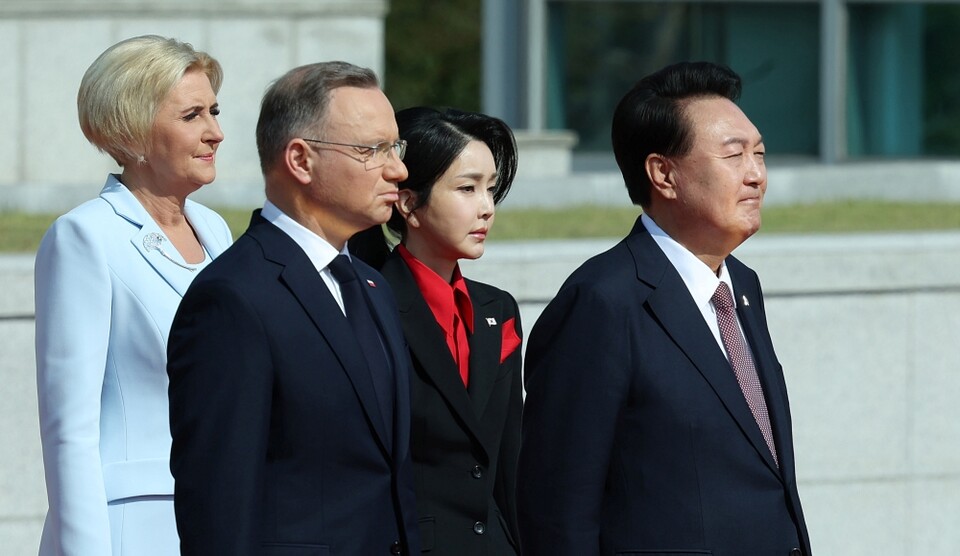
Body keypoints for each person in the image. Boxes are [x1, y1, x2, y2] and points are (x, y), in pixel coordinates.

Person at [516, 61, 812, 556]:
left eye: (759, 154)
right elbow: (557, 507)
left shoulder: (742, 286)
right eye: (734, 155)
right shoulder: (602, 302)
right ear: (662, 173)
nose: (756, 175)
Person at [166, 61, 420, 555]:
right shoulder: (233, 298)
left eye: (396, 147)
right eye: (372, 150)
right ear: (301, 160)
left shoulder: (371, 285)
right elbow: (218, 506)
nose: (399, 169)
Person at [34, 35, 231, 556]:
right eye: (192, 115)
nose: (216, 132)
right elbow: (68, 429)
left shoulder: (215, 230)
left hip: (218, 516)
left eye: (214, 110)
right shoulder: (85, 236)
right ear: (135, 130)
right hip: (131, 528)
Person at [351, 107, 523, 554]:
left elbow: (509, 460)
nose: (487, 207)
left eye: (490, 188)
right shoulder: (369, 304)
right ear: (408, 203)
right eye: (467, 188)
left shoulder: (497, 308)